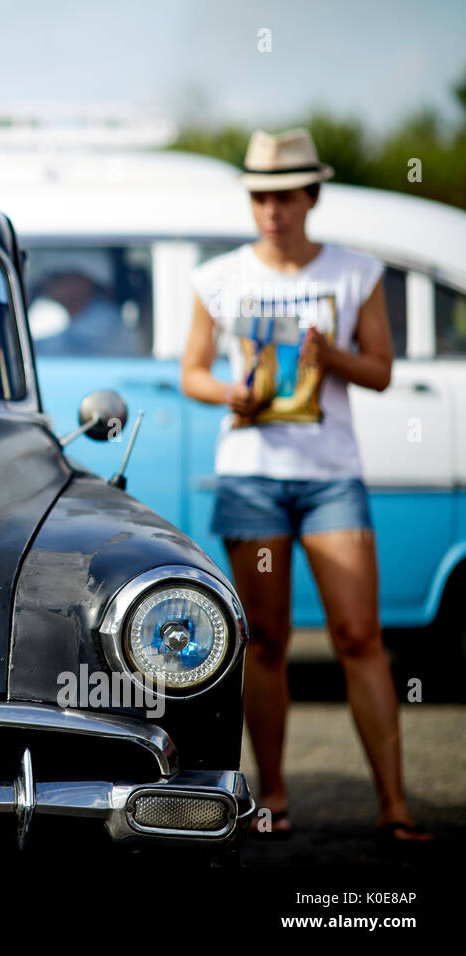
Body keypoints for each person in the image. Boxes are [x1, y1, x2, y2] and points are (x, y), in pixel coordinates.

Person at [179, 128, 433, 845]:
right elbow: (191, 371)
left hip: (331, 479)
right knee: (265, 643)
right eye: (260, 197)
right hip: (252, 475)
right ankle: (276, 797)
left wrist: (334, 357)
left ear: (311, 195)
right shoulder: (220, 276)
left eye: (284, 196)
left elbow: (381, 370)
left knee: (359, 636)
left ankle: (395, 806)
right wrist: (229, 394)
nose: (271, 211)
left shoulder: (357, 273)